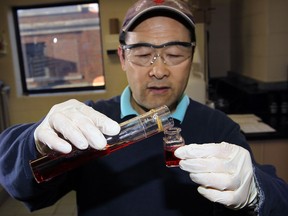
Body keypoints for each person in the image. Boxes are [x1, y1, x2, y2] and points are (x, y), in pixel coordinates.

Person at [0, 0, 287, 215]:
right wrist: (35, 141)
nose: (159, 70)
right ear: (123, 58)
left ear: (191, 58)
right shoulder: (93, 123)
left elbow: (280, 198)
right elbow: (21, 184)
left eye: (174, 54)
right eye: (143, 53)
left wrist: (255, 191)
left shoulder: (219, 127)